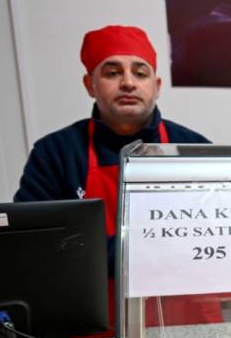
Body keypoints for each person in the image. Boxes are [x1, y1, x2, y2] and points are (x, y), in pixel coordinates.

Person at [15, 25, 210, 274]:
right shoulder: (55, 153)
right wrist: (152, 252)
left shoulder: (194, 149)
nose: (128, 83)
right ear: (90, 85)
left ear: (157, 86)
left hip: (182, 303)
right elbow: (34, 244)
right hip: (91, 307)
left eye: (140, 74)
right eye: (113, 73)